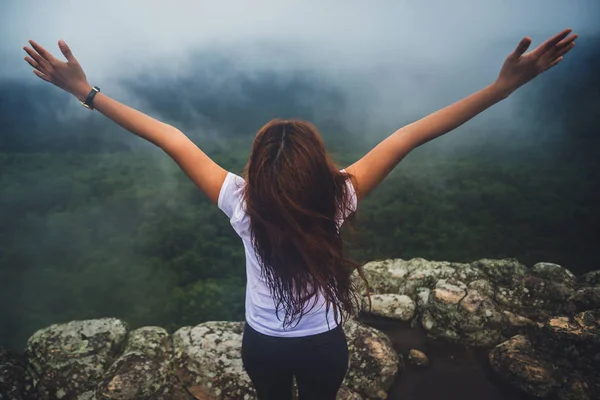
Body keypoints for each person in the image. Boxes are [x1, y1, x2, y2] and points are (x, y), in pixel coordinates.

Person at [23, 28, 577, 399]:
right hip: (325, 344)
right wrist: (502, 90)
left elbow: (169, 137)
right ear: (318, 169)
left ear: (257, 172)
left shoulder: (242, 202)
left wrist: (85, 92)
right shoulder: (338, 197)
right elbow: (410, 135)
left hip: (262, 343)